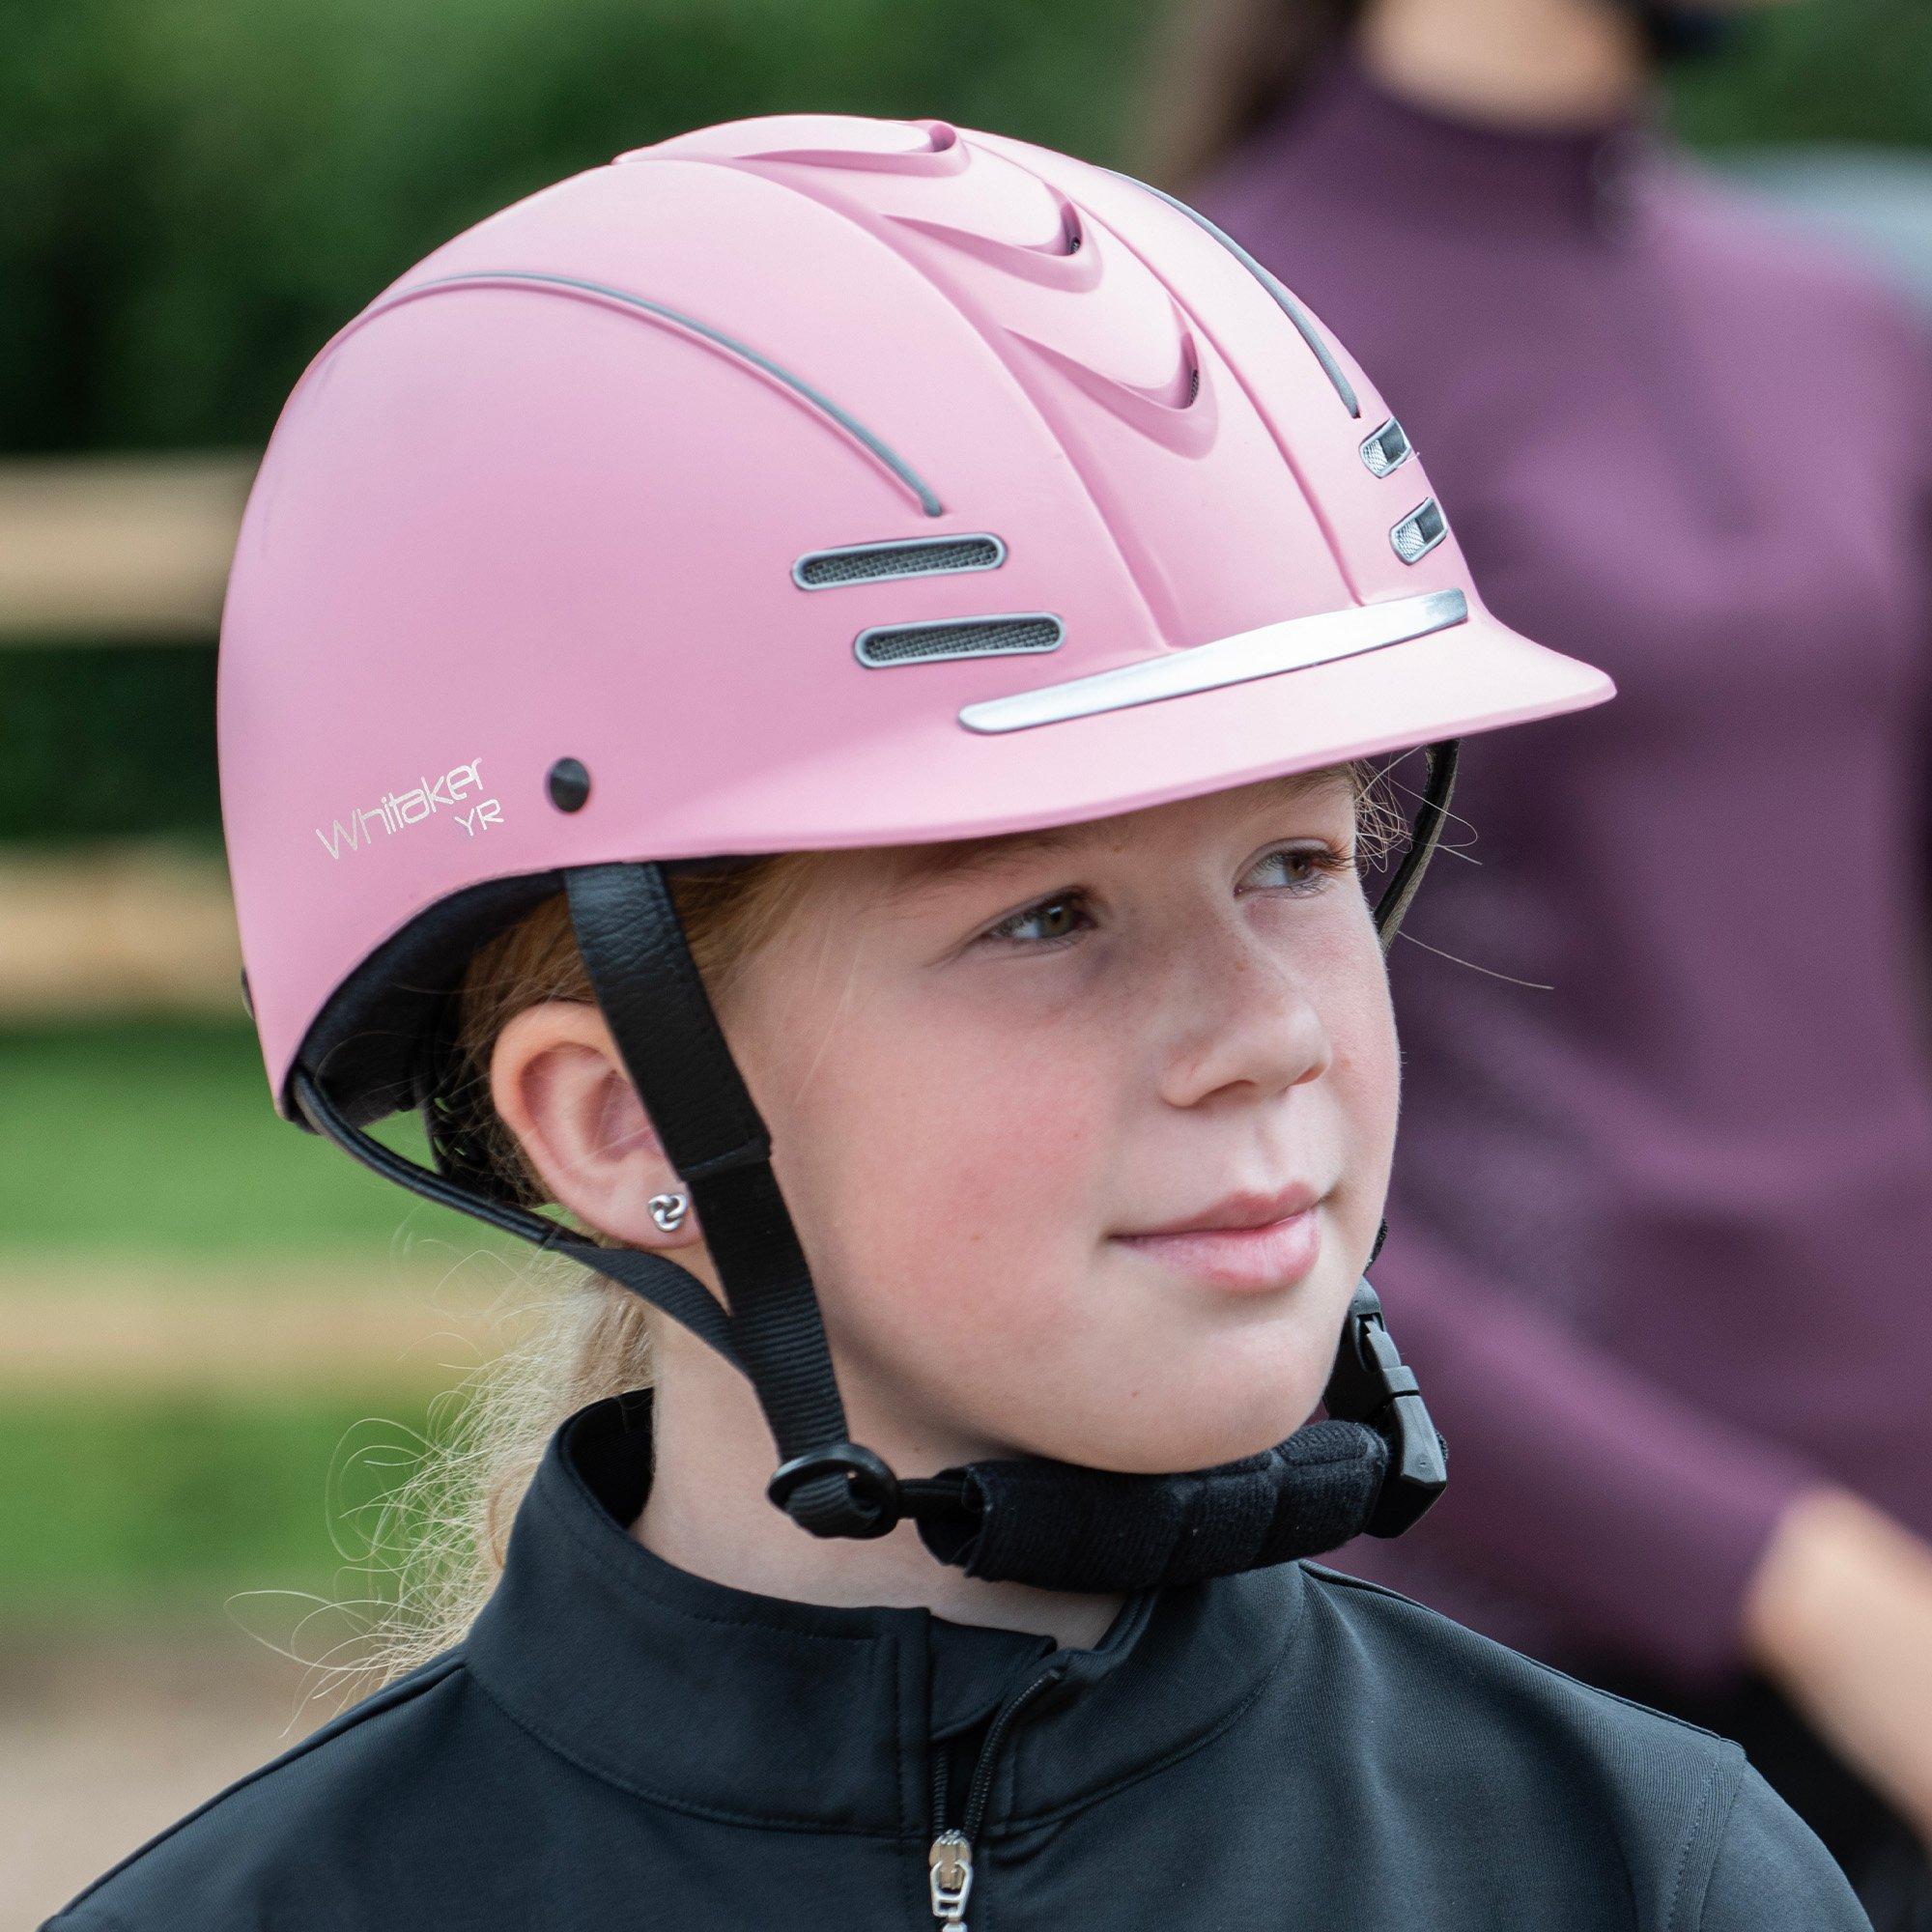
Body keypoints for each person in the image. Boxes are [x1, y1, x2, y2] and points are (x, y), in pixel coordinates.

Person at [41, 110, 1870, 1930]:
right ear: (621, 1120)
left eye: (1297, 865)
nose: (1268, 1034)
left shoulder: (1643, 1877)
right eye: (1048, 916)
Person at [1151, 1, 1932, 1919]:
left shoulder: (1838, 327)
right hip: (1493, 1640)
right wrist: (1785, 1573)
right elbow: (1198, 1117)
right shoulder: (1211, 367)